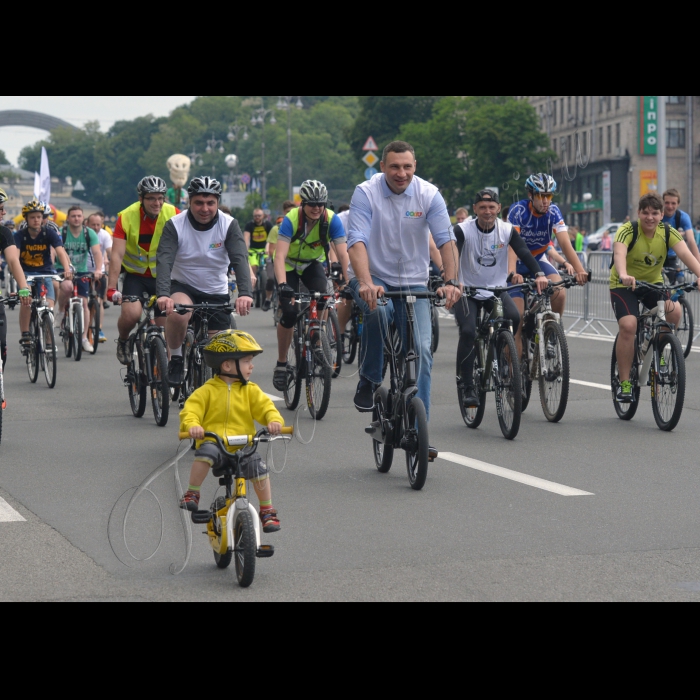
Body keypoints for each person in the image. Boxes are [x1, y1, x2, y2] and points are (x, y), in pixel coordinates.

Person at [347, 140, 461, 433]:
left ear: (415, 167)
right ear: (382, 166)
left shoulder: (429, 194)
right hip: (374, 277)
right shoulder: (366, 192)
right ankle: (370, 378)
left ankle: (419, 428)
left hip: (413, 281)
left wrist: (450, 282)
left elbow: (446, 240)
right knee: (378, 311)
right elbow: (356, 240)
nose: (401, 173)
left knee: (422, 350)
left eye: (407, 166)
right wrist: (366, 283)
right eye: (395, 166)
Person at [178, 330, 283, 534]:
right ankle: (193, 493)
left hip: (243, 445)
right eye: (246, 361)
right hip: (215, 443)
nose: (251, 366)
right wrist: (193, 426)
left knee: (259, 468)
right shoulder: (206, 391)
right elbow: (190, 411)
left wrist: (274, 420)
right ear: (227, 365)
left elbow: (266, 408)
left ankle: (267, 510)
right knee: (205, 453)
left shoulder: (250, 390)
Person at [454, 190, 548, 408]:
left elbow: (524, 251)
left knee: (514, 317)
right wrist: (451, 280)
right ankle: (467, 384)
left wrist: (539, 274)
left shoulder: (506, 230)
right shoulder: (462, 230)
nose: (487, 211)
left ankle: (501, 356)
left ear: (498, 208)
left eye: (492, 207)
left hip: (495, 288)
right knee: (468, 330)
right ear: (475, 209)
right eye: (482, 207)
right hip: (466, 289)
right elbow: (453, 254)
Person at [156, 177, 253, 386]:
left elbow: (240, 259)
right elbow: (164, 260)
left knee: (218, 350)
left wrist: (245, 293)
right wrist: (164, 294)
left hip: (215, 289)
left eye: (210, 203)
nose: (205, 208)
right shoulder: (175, 224)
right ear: (189, 202)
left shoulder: (229, 224)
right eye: (199, 202)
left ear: (218, 202)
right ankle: (176, 358)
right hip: (183, 284)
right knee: (179, 315)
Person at [611, 193, 700, 403]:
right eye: (646, 213)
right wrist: (623, 274)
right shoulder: (627, 230)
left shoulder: (667, 232)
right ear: (639, 213)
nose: (650, 217)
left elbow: (686, 255)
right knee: (629, 325)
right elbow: (619, 255)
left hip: (652, 283)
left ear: (662, 215)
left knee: (675, 311)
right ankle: (624, 383)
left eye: (655, 213)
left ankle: (658, 348)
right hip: (624, 284)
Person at [273, 180, 350, 392]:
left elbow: (343, 253)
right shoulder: (291, 219)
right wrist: (281, 285)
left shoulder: (331, 219)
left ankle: (316, 339)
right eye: (312, 204)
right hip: (287, 266)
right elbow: (279, 256)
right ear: (303, 203)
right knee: (289, 314)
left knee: (324, 297)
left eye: (321, 204)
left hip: (310, 264)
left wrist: (348, 281)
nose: (317, 208)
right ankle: (281, 364)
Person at [508, 173, 587, 354]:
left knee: (559, 292)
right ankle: (515, 375)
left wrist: (579, 271)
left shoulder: (553, 211)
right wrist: (512, 273)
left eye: (549, 196)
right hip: (516, 261)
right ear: (531, 195)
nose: (545, 201)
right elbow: (512, 245)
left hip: (538, 259)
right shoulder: (518, 210)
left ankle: (549, 334)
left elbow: (566, 244)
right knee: (517, 319)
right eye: (540, 196)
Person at [107, 177, 179, 365]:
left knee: (167, 330)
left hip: (163, 277)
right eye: (151, 199)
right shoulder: (126, 216)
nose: (157, 203)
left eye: (160, 198)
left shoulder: (174, 214)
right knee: (131, 315)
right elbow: (117, 255)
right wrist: (112, 287)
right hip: (136, 276)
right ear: (141, 198)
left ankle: (166, 377)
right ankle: (123, 340)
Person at [13, 200, 73, 352]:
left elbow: (60, 251)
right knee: (26, 301)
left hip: (45, 271)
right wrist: (21, 280)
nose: (36, 220)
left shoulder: (49, 233)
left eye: (39, 217)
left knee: (49, 308)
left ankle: (48, 340)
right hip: (26, 273)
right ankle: (26, 334)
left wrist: (67, 269)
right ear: (26, 218)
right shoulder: (19, 235)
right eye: (32, 217)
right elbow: (15, 257)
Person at [55, 207, 104, 354]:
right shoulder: (62, 233)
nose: (76, 218)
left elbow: (97, 253)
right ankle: (61, 311)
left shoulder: (89, 233)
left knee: (83, 303)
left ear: (83, 218)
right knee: (68, 287)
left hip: (82, 270)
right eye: (73, 216)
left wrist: (98, 270)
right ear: (68, 218)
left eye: (79, 216)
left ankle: (83, 338)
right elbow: (54, 251)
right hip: (62, 270)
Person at [0, 189, 31, 369]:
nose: (4, 212)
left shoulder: (4, 232)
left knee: (2, 345)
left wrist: (23, 287)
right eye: (1, 208)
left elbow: (13, 260)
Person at [262, 201, 295, 312]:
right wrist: (280, 260)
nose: (290, 213)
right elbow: (271, 250)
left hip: (294, 262)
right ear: (283, 213)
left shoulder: (299, 227)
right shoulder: (276, 229)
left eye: (292, 211)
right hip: (277, 259)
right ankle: (268, 299)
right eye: (287, 212)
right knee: (271, 279)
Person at [86, 212, 113, 343]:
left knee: (99, 301)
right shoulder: (83, 234)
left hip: (99, 271)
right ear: (87, 224)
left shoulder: (105, 235)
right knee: (83, 301)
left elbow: (110, 251)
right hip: (83, 271)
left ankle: (99, 328)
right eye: (93, 225)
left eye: (98, 224)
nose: (96, 227)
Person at [662, 189, 700, 280]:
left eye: (673, 203)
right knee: (656, 286)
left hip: (671, 257)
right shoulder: (656, 216)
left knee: (680, 281)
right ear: (662, 203)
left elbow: (691, 241)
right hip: (655, 256)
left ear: (678, 204)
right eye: (667, 203)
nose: (670, 206)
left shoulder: (682, 217)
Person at [244, 208, 273, 302]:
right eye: (255, 216)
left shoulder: (267, 225)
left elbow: (271, 238)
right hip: (253, 250)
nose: (257, 218)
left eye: (259, 216)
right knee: (253, 267)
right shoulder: (249, 225)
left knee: (268, 267)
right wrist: (246, 250)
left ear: (263, 216)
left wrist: (268, 249)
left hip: (265, 250)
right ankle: (253, 287)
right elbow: (246, 238)